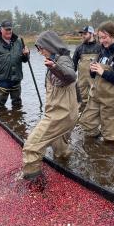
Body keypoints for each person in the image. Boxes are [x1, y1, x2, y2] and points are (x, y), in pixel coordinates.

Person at [22, 31, 78, 180]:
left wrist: (55, 67)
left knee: (31, 147)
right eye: (38, 49)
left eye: (41, 48)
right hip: (66, 114)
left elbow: (71, 76)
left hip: (60, 115)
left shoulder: (63, 60)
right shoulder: (54, 58)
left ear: (49, 45)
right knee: (61, 151)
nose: (40, 52)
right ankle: (68, 170)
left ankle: (33, 182)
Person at [79, 21, 114, 145]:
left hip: (112, 100)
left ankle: (109, 154)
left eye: (104, 37)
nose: (101, 41)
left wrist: (103, 72)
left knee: (110, 135)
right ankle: (94, 145)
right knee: (86, 122)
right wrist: (92, 70)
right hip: (96, 95)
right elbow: (96, 72)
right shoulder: (103, 49)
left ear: (113, 35)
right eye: (100, 38)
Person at [0, 20, 30, 110]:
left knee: (17, 105)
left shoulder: (19, 41)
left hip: (16, 78)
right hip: (2, 79)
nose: (9, 31)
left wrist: (26, 54)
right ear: (1, 30)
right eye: (7, 29)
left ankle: (17, 120)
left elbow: (25, 60)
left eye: (10, 29)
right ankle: (1, 121)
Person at [72, 26, 102, 111]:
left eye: (85, 34)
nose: (83, 36)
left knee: (96, 101)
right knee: (81, 103)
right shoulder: (79, 48)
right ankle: (81, 121)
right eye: (82, 34)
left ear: (92, 34)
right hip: (82, 82)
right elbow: (73, 66)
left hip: (96, 81)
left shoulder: (100, 47)